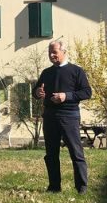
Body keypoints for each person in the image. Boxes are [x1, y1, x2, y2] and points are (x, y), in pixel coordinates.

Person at [33, 40, 92, 194]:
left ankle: (82, 187)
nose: (52, 55)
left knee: (76, 152)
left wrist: (66, 96)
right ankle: (54, 186)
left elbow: (87, 92)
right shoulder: (46, 73)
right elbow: (36, 91)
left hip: (69, 116)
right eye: (49, 53)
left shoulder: (76, 71)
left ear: (64, 51)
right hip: (50, 116)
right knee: (51, 153)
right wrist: (38, 93)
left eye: (55, 52)